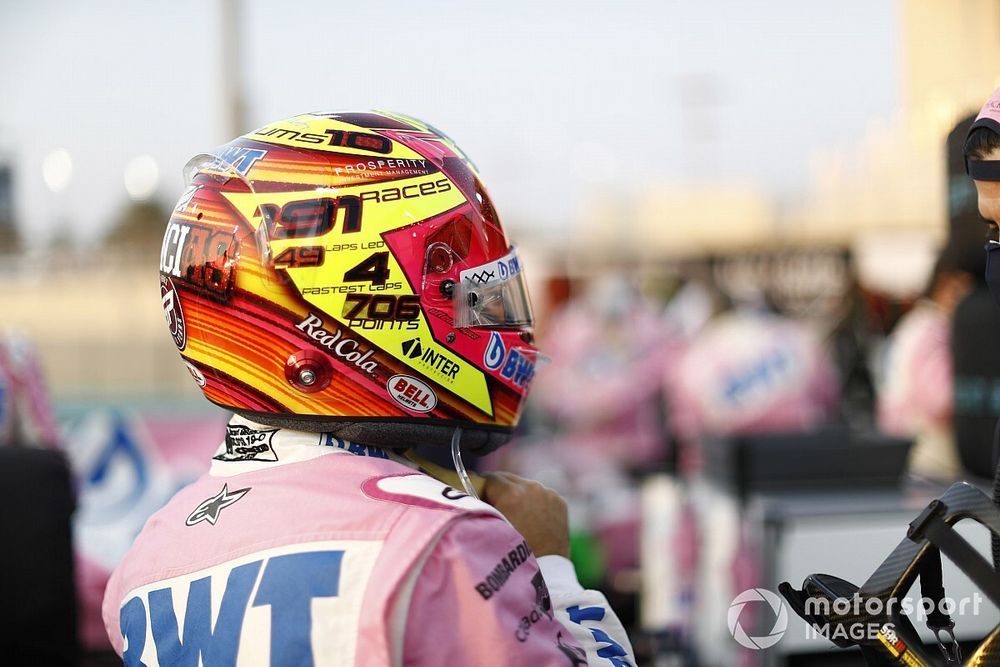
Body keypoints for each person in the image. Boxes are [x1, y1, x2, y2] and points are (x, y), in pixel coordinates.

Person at [102, 111, 634, 666]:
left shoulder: (145, 559)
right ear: (352, 303)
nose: (481, 315)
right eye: (453, 290)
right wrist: (551, 567)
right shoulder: (446, 542)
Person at [876, 246, 973, 480]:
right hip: (926, 458)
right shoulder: (933, 329)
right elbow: (941, 400)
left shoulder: (914, 325)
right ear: (946, 286)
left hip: (904, 449)